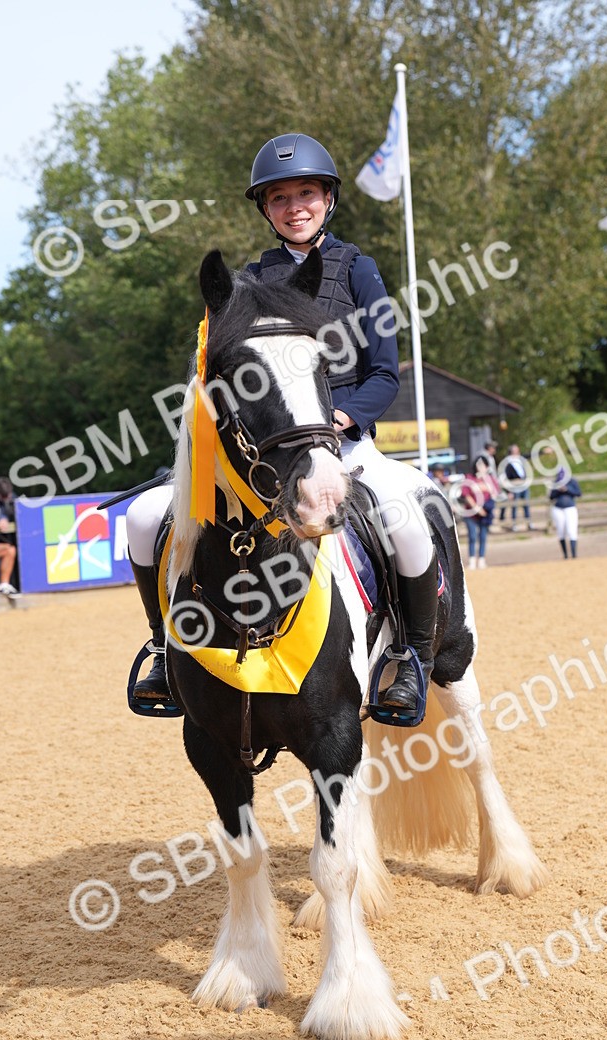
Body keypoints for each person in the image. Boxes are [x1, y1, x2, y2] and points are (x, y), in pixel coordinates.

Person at [126, 133, 438, 716]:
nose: (295, 206)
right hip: (265, 452)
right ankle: (167, 653)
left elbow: (384, 373)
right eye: (280, 197)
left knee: (407, 521)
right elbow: (218, 376)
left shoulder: (359, 271)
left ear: (328, 199)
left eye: (307, 193)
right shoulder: (246, 283)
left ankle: (412, 660)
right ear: (265, 209)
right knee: (145, 518)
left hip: (343, 443)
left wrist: (345, 416)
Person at [460, 456, 498, 568]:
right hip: (471, 512)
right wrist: (477, 508)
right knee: (472, 536)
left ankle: (482, 558)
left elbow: (495, 493)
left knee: (483, 536)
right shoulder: (469, 478)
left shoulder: (490, 479)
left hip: (485, 512)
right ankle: (472, 559)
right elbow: (466, 495)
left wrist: (485, 485)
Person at [499, 444, 534, 531]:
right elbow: (505, 478)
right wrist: (508, 491)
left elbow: (530, 454)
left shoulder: (520, 459)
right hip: (514, 487)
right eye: (516, 451)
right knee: (514, 506)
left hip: (523, 486)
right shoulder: (507, 463)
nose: (518, 453)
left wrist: (543, 451)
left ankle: (529, 522)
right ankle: (514, 524)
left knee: (526, 504)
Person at [548, 469, 581, 559]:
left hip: (570, 508)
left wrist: (567, 489)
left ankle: (574, 554)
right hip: (558, 508)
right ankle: (565, 555)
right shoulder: (556, 483)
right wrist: (558, 490)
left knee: (571, 530)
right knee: (561, 531)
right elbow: (551, 496)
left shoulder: (572, 481)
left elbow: (578, 493)